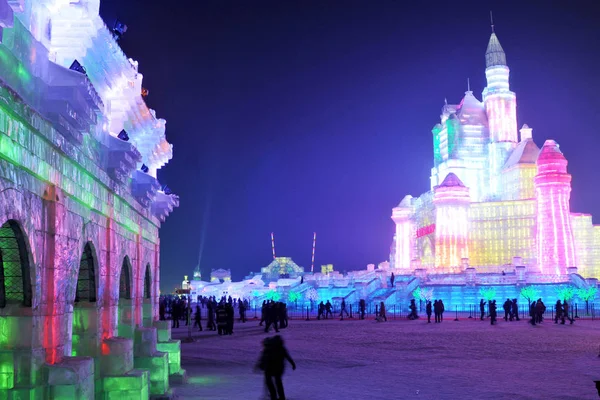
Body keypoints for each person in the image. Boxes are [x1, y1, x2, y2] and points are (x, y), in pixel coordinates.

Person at [256, 336, 296, 400]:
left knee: (270, 383)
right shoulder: (281, 348)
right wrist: (292, 364)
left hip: (270, 368)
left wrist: (261, 365)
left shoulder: (268, 349)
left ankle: (274, 397)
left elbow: (264, 358)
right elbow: (287, 356)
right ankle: (280, 397)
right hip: (278, 368)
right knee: (277, 383)